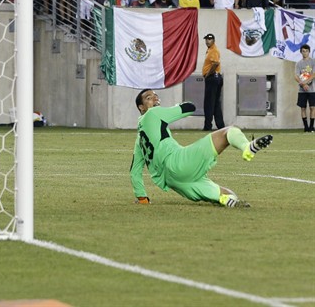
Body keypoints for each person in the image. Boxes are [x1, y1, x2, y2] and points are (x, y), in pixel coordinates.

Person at [131, 89, 273, 207]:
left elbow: (135, 171)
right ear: (141, 107)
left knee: (229, 195)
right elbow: (189, 107)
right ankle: (247, 147)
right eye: (149, 98)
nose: (155, 99)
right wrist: (177, 105)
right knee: (229, 131)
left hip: (175, 182)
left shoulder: (139, 140)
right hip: (177, 163)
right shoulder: (153, 113)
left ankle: (224, 200)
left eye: (156, 96)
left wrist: (142, 198)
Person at [202, 33, 225, 131]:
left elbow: (216, 63)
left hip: (212, 77)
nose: (207, 41)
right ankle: (220, 126)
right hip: (216, 77)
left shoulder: (214, 50)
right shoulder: (210, 50)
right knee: (215, 103)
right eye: (206, 39)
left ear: (213, 41)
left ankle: (208, 126)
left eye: (209, 39)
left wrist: (208, 74)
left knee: (209, 103)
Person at [295, 44, 315, 132]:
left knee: (312, 108)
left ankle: (311, 127)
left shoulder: (313, 62)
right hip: (302, 90)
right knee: (303, 108)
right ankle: (306, 127)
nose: (305, 53)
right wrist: (303, 85)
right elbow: (296, 76)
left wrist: (306, 82)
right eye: (303, 51)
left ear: (309, 52)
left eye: (306, 51)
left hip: (312, 90)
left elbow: (313, 74)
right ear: (301, 52)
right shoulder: (298, 63)